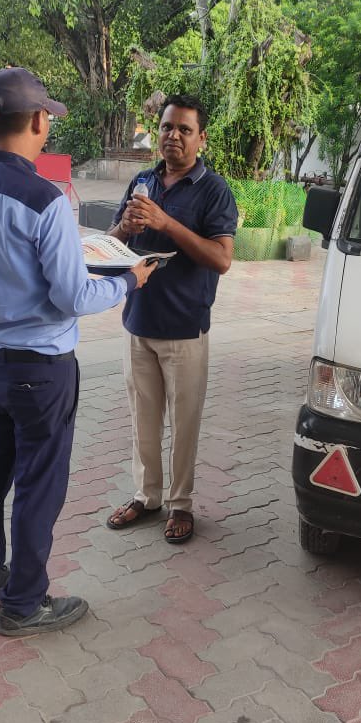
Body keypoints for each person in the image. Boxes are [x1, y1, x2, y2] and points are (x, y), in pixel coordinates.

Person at [0, 66, 155, 635]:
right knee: (39, 482)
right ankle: (24, 603)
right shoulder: (45, 199)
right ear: (38, 120)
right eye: (48, 119)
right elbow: (72, 294)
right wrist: (129, 279)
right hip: (42, 367)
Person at [106, 93, 238, 543]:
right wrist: (125, 228)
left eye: (184, 129)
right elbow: (114, 243)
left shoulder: (214, 189)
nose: (173, 136)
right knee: (142, 418)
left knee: (184, 424)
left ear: (201, 138)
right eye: (166, 127)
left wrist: (167, 225)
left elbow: (222, 259)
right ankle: (147, 496)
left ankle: (181, 505)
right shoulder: (143, 180)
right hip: (138, 321)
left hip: (185, 327)